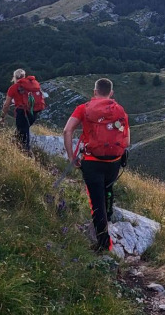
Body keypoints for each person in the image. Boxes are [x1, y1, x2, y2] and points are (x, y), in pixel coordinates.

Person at [63, 78, 130, 252]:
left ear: (95, 92)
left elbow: (67, 130)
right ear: (111, 93)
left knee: (96, 202)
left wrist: (71, 157)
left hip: (92, 162)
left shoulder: (83, 109)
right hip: (114, 162)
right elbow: (127, 141)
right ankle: (108, 217)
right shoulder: (120, 111)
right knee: (108, 189)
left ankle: (103, 244)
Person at [0, 68, 45, 154]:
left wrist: (2, 116)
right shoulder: (32, 84)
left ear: (14, 77)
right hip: (33, 112)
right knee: (21, 132)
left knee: (23, 135)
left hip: (22, 113)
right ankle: (16, 149)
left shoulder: (13, 88)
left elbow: (6, 105)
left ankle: (27, 155)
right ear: (24, 76)